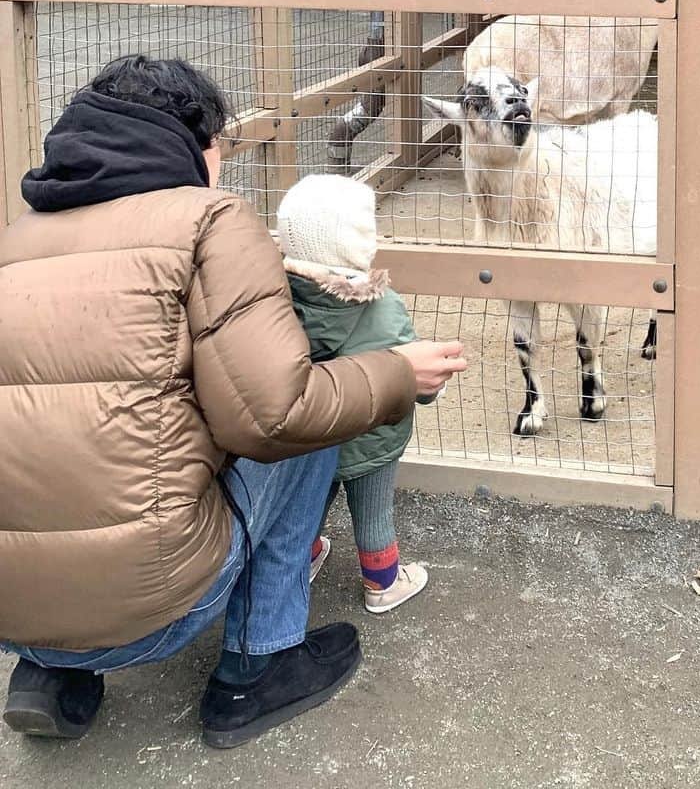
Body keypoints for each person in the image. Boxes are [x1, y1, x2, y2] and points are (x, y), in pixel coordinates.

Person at [0, 55, 467, 749]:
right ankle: (258, 664)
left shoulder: (16, 241)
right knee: (309, 410)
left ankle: (50, 673)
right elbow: (276, 414)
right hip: (158, 611)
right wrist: (394, 372)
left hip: (13, 616)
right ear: (197, 143)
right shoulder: (207, 220)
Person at [275, 175, 436, 612]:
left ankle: (300, 561)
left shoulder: (273, 302)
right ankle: (383, 583)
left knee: (307, 503)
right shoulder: (383, 308)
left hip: (310, 432)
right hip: (374, 435)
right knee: (374, 511)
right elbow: (413, 373)